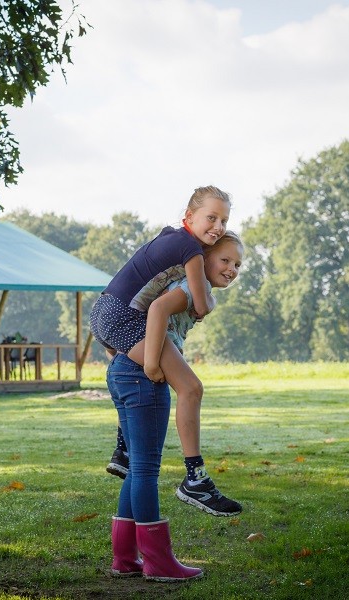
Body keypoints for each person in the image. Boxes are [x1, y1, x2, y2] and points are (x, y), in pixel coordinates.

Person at [90, 185, 230, 581]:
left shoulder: (172, 241)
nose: (218, 227)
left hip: (110, 320)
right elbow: (196, 305)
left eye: (224, 221)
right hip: (124, 323)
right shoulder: (187, 250)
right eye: (211, 218)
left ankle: (125, 557)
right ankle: (161, 553)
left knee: (138, 467)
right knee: (185, 398)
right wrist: (153, 364)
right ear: (189, 216)